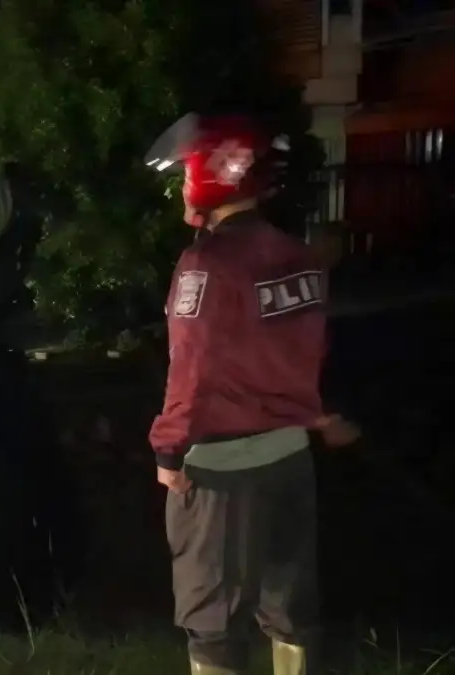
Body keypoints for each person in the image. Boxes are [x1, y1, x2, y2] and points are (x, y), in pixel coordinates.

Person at [144, 113, 360, 675]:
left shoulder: (205, 264)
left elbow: (191, 369)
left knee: (212, 621)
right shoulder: (299, 258)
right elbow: (305, 356)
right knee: (289, 609)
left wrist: (168, 452)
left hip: (219, 472)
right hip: (290, 460)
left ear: (207, 177)